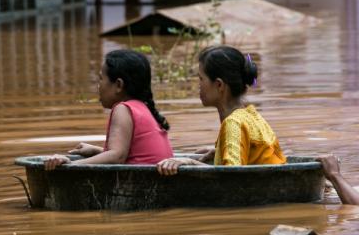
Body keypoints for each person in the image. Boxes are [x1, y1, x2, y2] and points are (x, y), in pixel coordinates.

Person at [156, 45, 285, 175]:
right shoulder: (251, 114)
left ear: (219, 85)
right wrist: (219, 150)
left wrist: (190, 163)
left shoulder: (233, 124)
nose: (198, 85)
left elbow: (230, 176)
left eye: (201, 79)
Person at [44, 49, 173, 169]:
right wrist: (97, 150)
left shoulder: (123, 109)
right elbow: (132, 154)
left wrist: (71, 164)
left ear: (118, 85)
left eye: (101, 79)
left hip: (143, 185)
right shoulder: (142, 108)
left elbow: (117, 157)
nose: (98, 86)